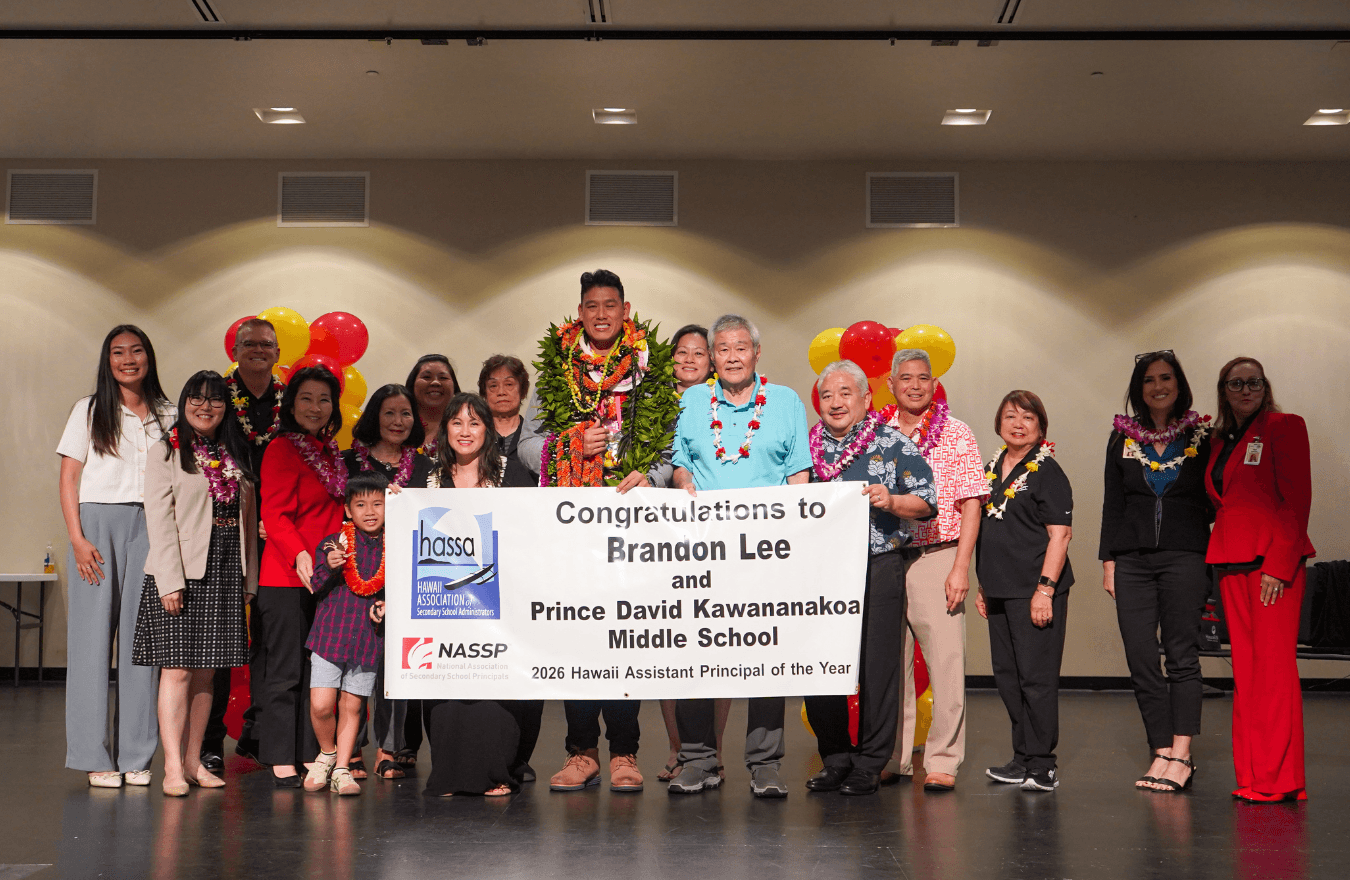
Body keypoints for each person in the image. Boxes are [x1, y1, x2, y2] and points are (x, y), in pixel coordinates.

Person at [518, 269, 679, 794]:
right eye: (593, 305)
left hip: (633, 522)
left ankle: (625, 752)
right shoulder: (555, 369)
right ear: (580, 312)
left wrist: (649, 474)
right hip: (573, 527)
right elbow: (527, 443)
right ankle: (581, 751)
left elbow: (669, 439)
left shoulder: (650, 369)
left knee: (625, 636)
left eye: (612, 305)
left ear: (626, 310)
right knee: (578, 636)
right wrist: (568, 447)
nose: (603, 313)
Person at [668, 314, 812, 798]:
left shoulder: (787, 401)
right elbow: (680, 464)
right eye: (722, 348)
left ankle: (765, 763)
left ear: (756, 354)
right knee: (695, 653)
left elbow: (798, 477)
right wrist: (686, 485)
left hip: (766, 553)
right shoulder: (691, 400)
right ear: (713, 357)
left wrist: (795, 542)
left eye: (741, 347)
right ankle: (697, 758)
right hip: (701, 551)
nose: (732, 356)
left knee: (766, 655)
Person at [803, 361, 937, 796]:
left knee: (877, 666)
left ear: (865, 399)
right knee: (820, 664)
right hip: (818, 570)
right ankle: (836, 757)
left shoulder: (892, 443)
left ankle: (870, 762)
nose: (836, 402)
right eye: (827, 395)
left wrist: (892, 500)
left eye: (846, 393)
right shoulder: (804, 448)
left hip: (877, 565)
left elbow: (926, 501)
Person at [58, 324, 175, 789]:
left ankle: (137, 753)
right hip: (97, 527)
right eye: (118, 352)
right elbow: (68, 479)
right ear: (108, 361)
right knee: (90, 643)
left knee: (141, 643)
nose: (128, 359)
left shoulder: (169, 413)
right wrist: (77, 538)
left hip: (152, 528)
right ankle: (91, 754)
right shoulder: (88, 410)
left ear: (149, 356)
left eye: (137, 350)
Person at [132, 371, 257, 796]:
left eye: (216, 400)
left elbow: (248, 521)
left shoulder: (233, 452)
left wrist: (249, 581)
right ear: (184, 403)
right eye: (197, 399)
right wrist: (169, 580)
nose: (206, 407)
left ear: (227, 408)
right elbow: (159, 520)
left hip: (224, 570)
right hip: (181, 572)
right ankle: (170, 766)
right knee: (178, 671)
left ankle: (193, 761)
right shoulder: (165, 451)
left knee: (208, 675)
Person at [1100, 351, 1213, 792]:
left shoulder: (1201, 435)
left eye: (1166, 378)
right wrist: (1109, 560)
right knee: (1141, 658)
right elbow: (1113, 502)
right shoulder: (1121, 437)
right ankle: (1160, 750)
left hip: (1186, 556)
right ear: (1138, 387)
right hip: (1131, 561)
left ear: (1179, 384)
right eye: (1149, 380)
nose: (1158, 386)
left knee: (1181, 655)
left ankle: (1182, 754)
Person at [1204, 357, 1313, 803]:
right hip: (1231, 563)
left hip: (1272, 566)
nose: (1245, 389)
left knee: (1273, 671)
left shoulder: (1285, 426)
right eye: (1235, 383)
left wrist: (1278, 564)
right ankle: (1253, 776)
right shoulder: (1220, 439)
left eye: (1253, 382)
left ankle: (1278, 779)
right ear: (1224, 391)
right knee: (1246, 674)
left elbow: (1296, 498)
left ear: (1265, 386)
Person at [422, 393, 540, 797]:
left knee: (495, 692)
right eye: (456, 423)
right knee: (449, 692)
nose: (465, 431)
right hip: (442, 606)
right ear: (445, 430)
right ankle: (451, 774)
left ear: (488, 429)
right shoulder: (426, 477)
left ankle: (497, 772)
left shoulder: (514, 473)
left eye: (474, 423)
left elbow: (531, 534)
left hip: (501, 606)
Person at [883, 349, 987, 792]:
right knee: (890, 667)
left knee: (945, 664)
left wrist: (961, 568)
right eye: (905, 378)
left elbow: (972, 503)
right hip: (887, 556)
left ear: (933, 383)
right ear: (891, 384)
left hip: (938, 554)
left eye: (922, 378)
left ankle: (943, 759)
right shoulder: (878, 433)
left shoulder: (956, 432)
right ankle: (895, 757)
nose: (914, 385)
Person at [975, 390, 1074, 793]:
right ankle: (1022, 758)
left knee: (1036, 679)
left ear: (1041, 426)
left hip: (1034, 592)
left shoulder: (1048, 471)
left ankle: (1043, 763)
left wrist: (1045, 591)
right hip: (998, 590)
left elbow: (1060, 535)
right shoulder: (992, 466)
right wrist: (984, 586)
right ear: (999, 423)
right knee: (1008, 678)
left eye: (1028, 418)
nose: (1018, 423)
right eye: (1011, 416)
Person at [256, 365, 345, 787]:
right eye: (307, 398)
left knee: (318, 672)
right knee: (285, 671)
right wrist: (300, 555)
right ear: (292, 404)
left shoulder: (331, 451)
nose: (316, 407)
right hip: (287, 577)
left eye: (324, 399)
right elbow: (273, 514)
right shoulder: (281, 449)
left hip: (326, 578)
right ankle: (278, 754)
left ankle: (312, 750)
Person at [341, 383, 431, 779]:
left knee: (399, 667)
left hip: (408, 579)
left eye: (406, 413)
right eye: (389, 413)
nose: (398, 421)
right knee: (356, 667)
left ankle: (390, 748)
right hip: (355, 577)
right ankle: (353, 748)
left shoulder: (427, 469)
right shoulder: (348, 463)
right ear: (374, 416)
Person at [656, 323, 730, 782]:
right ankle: (678, 749)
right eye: (680, 352)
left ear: (712, 360)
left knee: (716, 643)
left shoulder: (728, 402)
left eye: (697, 353)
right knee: (668, 646)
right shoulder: (653, 404)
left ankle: (714, 750)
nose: (687, 359)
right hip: (663, 534)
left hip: (716, 532)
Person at [216, 317, 285, 770]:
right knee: (219, 635)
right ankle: (207, 742)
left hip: (277, 528)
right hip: (225, 526)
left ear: (277, 353)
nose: (258, 349)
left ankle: (262, 730)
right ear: (235, 351)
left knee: (269, 634)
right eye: (249, 343)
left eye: (266, 344)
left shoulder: (291, 397)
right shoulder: (217, 396)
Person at [303, 472, 390, 796]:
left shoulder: (394, 545)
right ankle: (326, 753)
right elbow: (316, 583)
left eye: (378, 503)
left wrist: (385, 606)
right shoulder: (334, 542)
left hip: (367, 639)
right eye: (361, 504)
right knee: (322, 705)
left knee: (353, 707)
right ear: (348, 510)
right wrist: (330, 563)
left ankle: (342, 768)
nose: (370, 511)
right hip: (330, 637)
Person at [404, 355, 461, 460]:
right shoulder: (398, 426)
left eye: (443, 378)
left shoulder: (466, 430)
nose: (435, 382)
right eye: (426, 377)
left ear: (454, 388)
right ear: (412, 385)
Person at [477, 355, 530, 464]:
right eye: (493, 386)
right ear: (484, 394)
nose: (501, 392)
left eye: (509, 384)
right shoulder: (476, 435)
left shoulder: (532, 436)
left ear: (523, 391)